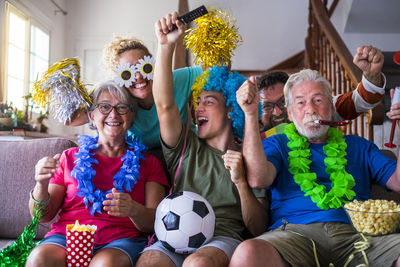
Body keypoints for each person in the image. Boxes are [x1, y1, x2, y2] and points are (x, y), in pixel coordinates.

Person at [229, 66, 400, 266]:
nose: (310, 109)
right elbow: (258, 179)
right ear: (290, 114)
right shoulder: (277, 144)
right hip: (293, 236)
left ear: (331, 108)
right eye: (300, 103)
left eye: (318, 100)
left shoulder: (359, 145)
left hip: (359, 235)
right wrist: (250, 114)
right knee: (247, 253)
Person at [136, 12, 268, 267]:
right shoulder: (185, 147)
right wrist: (165, 46)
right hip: (171, 236)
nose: (198, 109)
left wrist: (240, 181)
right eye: (197, 102)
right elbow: (164, 105)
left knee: (198, 264)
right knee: (149, 262)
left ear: (231, 109)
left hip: (222, 237)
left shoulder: (249, 156)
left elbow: (258, 227)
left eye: (208, 101)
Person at [26, 81, 169, 267]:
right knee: (39, 258)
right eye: (104, 107)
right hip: (66, 237)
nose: (113, 114)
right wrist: (41, 184)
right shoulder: (69, 158)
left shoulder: (149, 163)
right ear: (92, 116)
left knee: (105, 264)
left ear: (132, 115)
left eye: (122, 107)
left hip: (121, 241)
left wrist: (134, 209)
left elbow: (155, 223)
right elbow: (42, 216)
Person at [70, 37, 202, 150]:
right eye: (127, 73)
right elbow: (71, 119)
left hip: (187, 153)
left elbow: (218, 70)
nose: (138, 76)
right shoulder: (116, 100)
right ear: (118, 79)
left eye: (144, 67)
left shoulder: (177, 79)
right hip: (144, 161)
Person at [258, 45, 386, 137]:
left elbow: (361, 99)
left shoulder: (320, 108)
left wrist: (372, 74)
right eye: (267, 106)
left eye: (282, 102)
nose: (277, 111)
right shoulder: (252, 133)